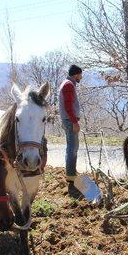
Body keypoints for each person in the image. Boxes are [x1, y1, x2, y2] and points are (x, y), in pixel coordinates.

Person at [58, 65, 84, 198]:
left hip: (68, 120)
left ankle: (71, 174)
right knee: (72, 149)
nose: (81, 77)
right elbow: (68, 106)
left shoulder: (67, 83)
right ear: (76, 75)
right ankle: (71, 177)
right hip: (70, 121)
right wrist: (74, 121)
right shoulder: (69, 85)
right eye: (80, 74)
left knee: (71, 148)